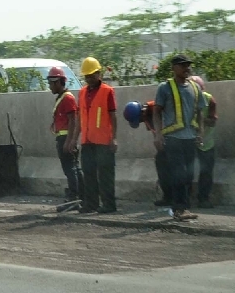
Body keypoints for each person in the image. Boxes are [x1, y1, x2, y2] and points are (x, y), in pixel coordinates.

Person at [153, 54, 207, 221]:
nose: (187, 68)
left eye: (188, 65)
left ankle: (184, 207)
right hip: (173, 139)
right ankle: (178, 209)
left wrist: (200, 132)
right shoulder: (165, 88)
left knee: (189, 175)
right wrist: (158, 134)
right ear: (174, 68)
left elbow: (200, 113)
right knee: (178, 174)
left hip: (190, 138)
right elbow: (156, 112)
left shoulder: (195, 87)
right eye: (182, 65)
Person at [77, 57, 118, 214]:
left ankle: (109, 204)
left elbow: (113, 117)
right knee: (89, 173)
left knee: (105, 174)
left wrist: (114, 138)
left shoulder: (108, 91)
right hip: (87, 140)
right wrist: (76, 138)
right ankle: (91, 204)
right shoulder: (81, 93)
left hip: (104, 141)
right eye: (86, 76)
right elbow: (81, 117)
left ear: (99, 73)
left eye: (92, 75)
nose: (89, 78)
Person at [124, 100, 172, 206]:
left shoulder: (153, 108)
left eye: (139, 120)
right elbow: (154, 131)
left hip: (173, 140)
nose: (141, 121)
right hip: (164, 144)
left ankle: (179, 199)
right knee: (160, 163)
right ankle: (168, 197)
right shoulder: (145, 116)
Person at [47, 66, 83, 205]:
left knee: (70, 169)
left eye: (51, 83)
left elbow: (73, 119)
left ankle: (74, 196)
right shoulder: (62, 97)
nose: (50, 87)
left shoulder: (67, 98)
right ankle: (80, 194)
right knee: (73, 168)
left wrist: (70, 141)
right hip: (64, 137)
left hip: (65, 138)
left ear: (57, 82)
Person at [190, 75, 218, 208]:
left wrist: (199, 121)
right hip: (188, 140)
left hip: (206, 141)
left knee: (206, 171)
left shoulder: (209, 99)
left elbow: (213, 122)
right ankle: (184, 199)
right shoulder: (184, 99)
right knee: (185, 171)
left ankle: (203, 198)